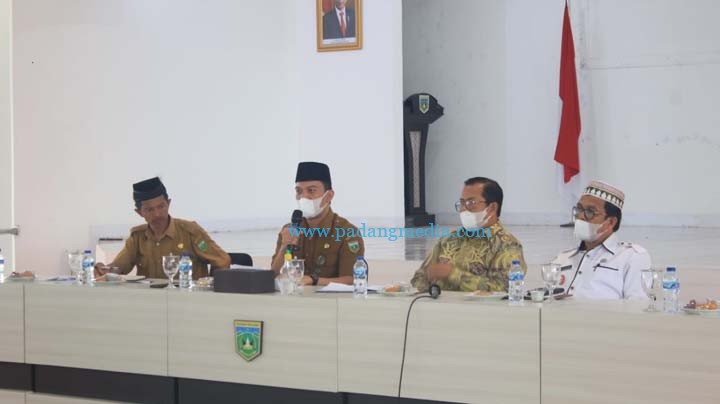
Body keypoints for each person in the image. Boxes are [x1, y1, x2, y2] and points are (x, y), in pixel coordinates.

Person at [95, 177, 230, 279]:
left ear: (168, 204)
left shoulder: (190, 232)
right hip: (152, 302)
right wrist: (104, 269)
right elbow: (119, 267)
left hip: (187, 301)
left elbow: (222, 260)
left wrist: (209, 288)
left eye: (161, 207)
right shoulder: (137, 237)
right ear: (139, 212)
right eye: (150, 210)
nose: (157, 214)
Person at [411, 177, 526, 292]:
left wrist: (452, 274)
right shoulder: (448, 240)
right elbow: (419, 278)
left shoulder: (507, 246)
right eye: (462, 203)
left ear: (492, 207)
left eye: (471, 203)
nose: (463, 209)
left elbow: (504, 288)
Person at [551, 180, 651, 299]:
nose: (580, 216)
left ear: (611, 222)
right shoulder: (562, 258)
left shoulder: (631, 257)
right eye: (579, 209)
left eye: (590, 212)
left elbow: (637, 306)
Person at [270, 162, 364, 286]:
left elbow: (353, 280)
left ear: (329, 196)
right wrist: (284, 246)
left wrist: (313, 280)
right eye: (299, 191)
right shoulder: (289, 230)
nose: (304, 196)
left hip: (330, 298)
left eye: (311, 190)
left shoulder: (347, 232)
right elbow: (273, 275)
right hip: (295, 297)